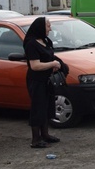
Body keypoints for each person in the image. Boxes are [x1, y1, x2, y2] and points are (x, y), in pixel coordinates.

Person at [23, 17, 64, 148]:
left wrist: (58, 64)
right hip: (36, 81)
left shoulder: (45, 41)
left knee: (47, 107)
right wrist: (52, 63)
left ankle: (45, 135)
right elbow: (35, 65)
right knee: (37, 108)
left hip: (47, 80)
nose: (50, 29)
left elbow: (50, 56)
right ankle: (35, 139)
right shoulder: (31, 44)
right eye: (48, 26)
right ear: (40, 27)